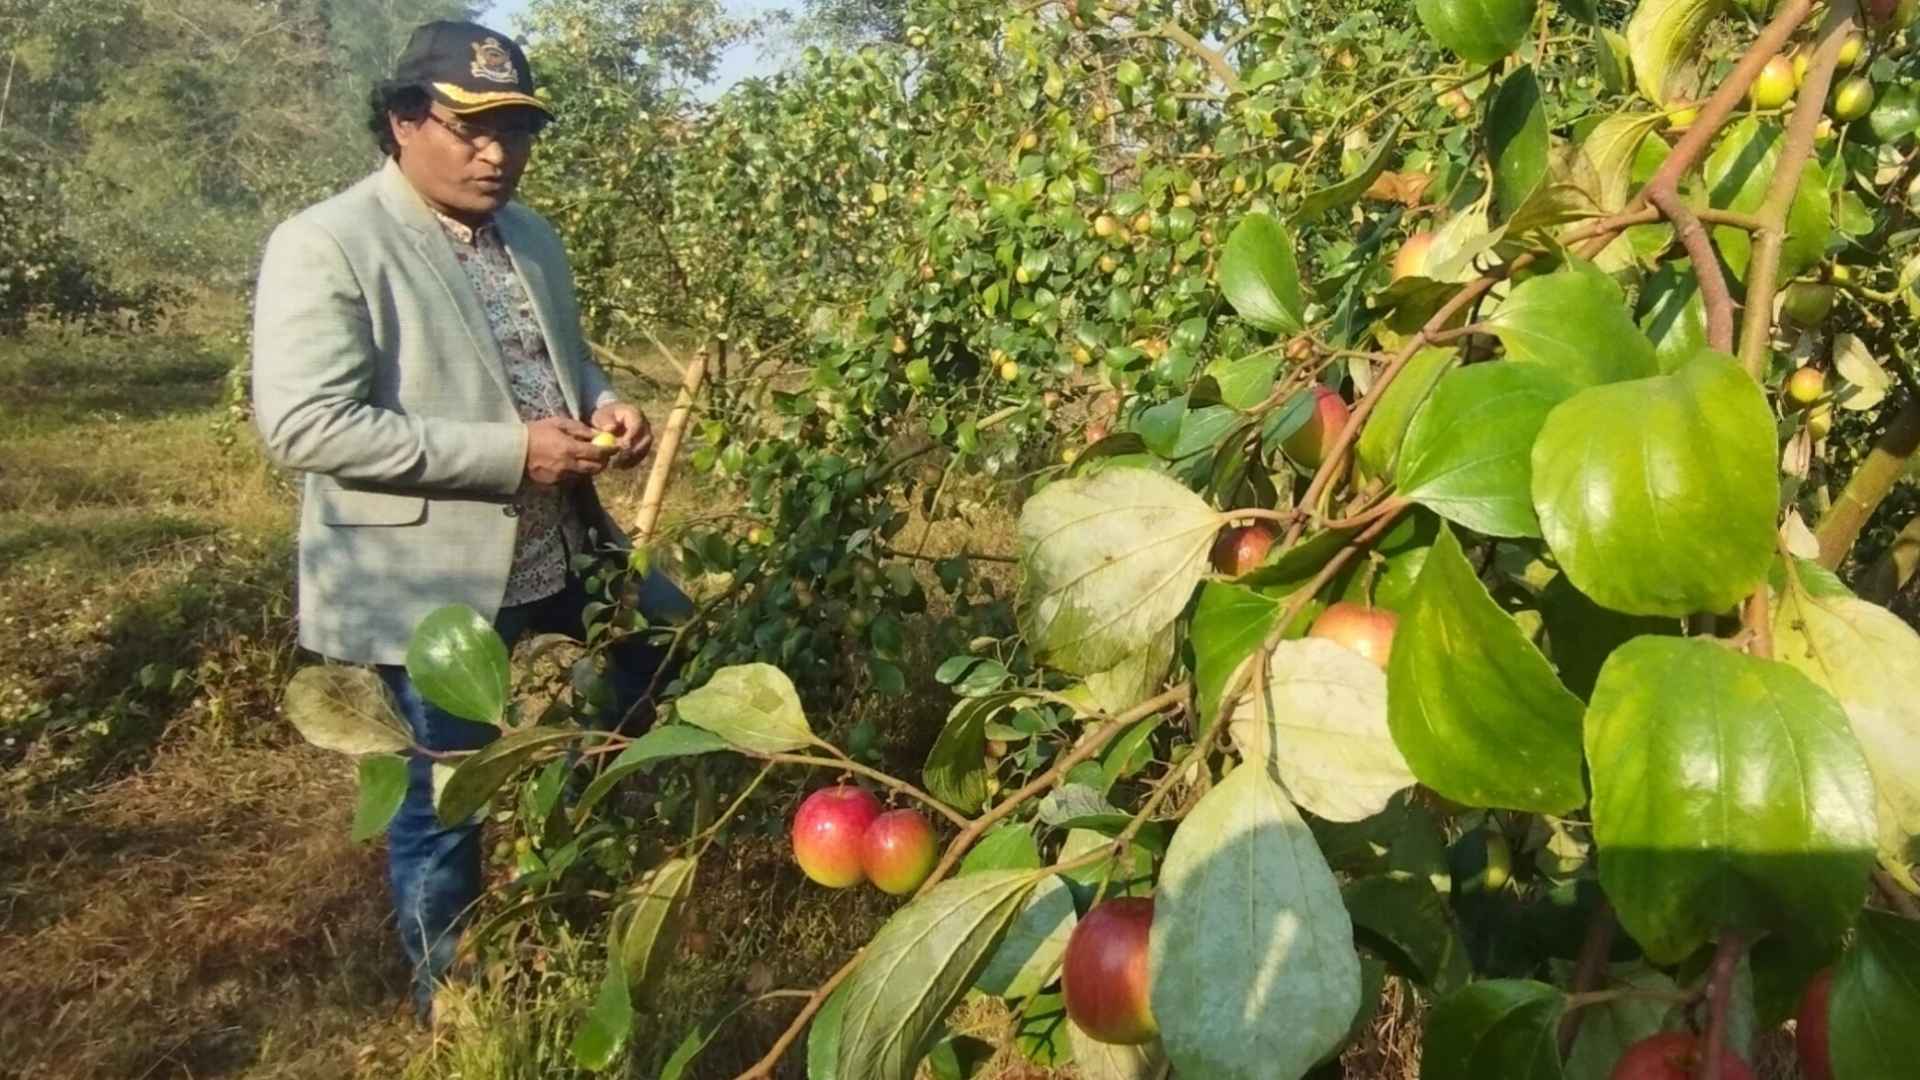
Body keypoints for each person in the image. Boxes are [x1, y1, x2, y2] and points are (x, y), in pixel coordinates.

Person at [249, 19, 690, 1020]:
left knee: (655, 661)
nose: (499, 152)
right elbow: (305, 424)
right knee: (446, 798)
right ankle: (451, 1000)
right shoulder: (329, 243)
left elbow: (555, 361)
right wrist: (512, 452)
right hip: (429, 576)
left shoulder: (529, 236)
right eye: (471, 128)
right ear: (405, 122)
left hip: (561, 545)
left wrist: (604, 403)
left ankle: (565, 873)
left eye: (517, 131)